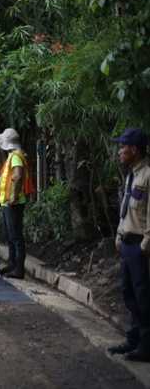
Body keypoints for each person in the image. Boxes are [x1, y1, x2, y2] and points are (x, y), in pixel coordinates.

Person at [108, 128, 150, 362]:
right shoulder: (132, 174)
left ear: (134, 149)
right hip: (126, 243)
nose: (119, 151)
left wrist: (146, 245)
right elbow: (127, 209)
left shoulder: (148, 175)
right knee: (129, 293)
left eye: (123, 147)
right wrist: (118, 234)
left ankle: (146, 345)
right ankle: (133, 339)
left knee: (144, 296)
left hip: (140, 246)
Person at [0, 128, 33, 279]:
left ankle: (18, 269)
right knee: (11, 235)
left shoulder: (16, 157)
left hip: (13, 203)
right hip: (8, 202)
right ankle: (12, 265)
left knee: (16, 236)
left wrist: (13, 196)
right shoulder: (12, 156)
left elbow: (17, 176)